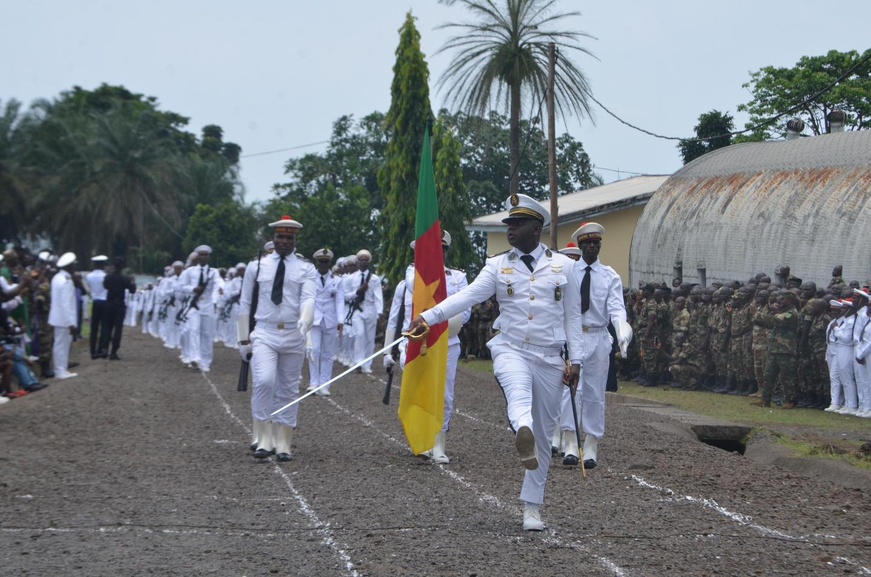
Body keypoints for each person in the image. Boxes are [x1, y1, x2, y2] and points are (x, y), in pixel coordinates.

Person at [407, 194, 580, 532]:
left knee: (545, 437)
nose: (510, 229)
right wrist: (427, 317)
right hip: (511, 348)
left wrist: (578, 361)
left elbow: (572, 317)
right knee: (517, 392)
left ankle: (533, 507)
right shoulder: (497, 265)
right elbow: (466, 296)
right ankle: (522, 429)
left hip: (550, 357)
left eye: (518, 224)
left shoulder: (566, 267)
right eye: (509, 224)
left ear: (537, 227)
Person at [386, 231, 471, 464]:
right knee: (419, 390)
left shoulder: (457, 278)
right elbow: (404, 306)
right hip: (416, 342)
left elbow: (465, 311)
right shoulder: (412, 277)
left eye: (441, 250)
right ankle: (421, 439)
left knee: (445, 393)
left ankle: (439, 443)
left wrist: (446, 323)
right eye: (432, 250)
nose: (438, 254)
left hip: (447, 341)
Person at [237, 215, 317, 462]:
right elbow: (245, 303)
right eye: (280, 237)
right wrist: (243, 339)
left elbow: (308, 298)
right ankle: (263, 437)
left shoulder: (306, 268)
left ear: (296, 240)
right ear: (273, 238)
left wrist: (305, 321)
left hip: (294, 332)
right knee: (264, 381)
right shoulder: (257, 266)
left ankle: (283, 441)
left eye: (289, 237)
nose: (284, 241)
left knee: (289, 388)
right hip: (264, 331)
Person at [558, 223, 631, 469]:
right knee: (571, 390)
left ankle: (590, 444)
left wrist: (622, 332)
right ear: (580, 246)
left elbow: (617, 309)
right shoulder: (568, 273)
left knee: (595, 393)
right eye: (587, 243)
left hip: (599, 336)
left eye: (595, 243)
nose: (591, 247)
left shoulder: (610, 276)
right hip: (573, 335)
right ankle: (569, 441)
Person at [178, 245, 224, 372]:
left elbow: (219, 283)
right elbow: (180, 286)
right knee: (193, 330)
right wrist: (192, 289)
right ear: (197, 256)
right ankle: (195, 357)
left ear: (209, 257)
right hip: (195, 305)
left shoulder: (213, 272)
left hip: (208, 305)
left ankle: (206, 362)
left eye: (206, 255)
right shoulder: (189, 271)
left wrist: (219, 292)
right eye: (201, 254)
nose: (203, 257)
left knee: (207, 334)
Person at [308, 248, 343, 396]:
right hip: (314, 319)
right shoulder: (309, 279)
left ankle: (325, 384)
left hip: (330, 319)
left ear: (329, 263)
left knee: (328, 353)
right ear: (317, 262)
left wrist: (340, 321)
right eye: (321, 262)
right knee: (314, 350)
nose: (323, 265)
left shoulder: (337, 280)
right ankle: (313, 382)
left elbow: (340, 301)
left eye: (326, 262)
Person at [343, 249, 383, 374]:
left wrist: (380, 312)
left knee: (369, 338)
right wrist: (358, 291)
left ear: (369, 262)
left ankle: (367, 364)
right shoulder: (351, 278)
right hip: (357, 309)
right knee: (359, 334)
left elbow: (378, 296)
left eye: (366, 260)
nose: (364, 262)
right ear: (358, 262)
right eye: (361, 260)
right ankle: (358, 362)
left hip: (370, 308)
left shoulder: (374, 278)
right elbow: (346, 296)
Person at [48, 252, 79, 379]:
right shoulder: (67, 281)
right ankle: (61, 370)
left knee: (59, 344)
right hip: (64, 319)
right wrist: (71, 323)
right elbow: (66, 304)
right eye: (73, 266)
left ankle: (61, 369)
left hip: (57, 317)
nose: (74, 268)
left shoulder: (56, 277)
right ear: (69, 266)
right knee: (62, 344)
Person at [100, 257, 137, 360]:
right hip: (119, 304)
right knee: (118, 329)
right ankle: (113, 352)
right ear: (122, 266)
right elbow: (132, 291)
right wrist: (133, 281)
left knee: (107, 327)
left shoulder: (108, 277)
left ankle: (104, 349)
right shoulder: (125, 278)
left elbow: (105, 286)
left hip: (109, 303)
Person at [85, 255, 109, 358]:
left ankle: (93, 351)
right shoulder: (105, 276)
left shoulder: (89, 276)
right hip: (104, 302)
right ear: (103, 265)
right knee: (104, 327)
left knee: (94, 328)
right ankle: (102, 349)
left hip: (94, 302)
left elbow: (89, 288)